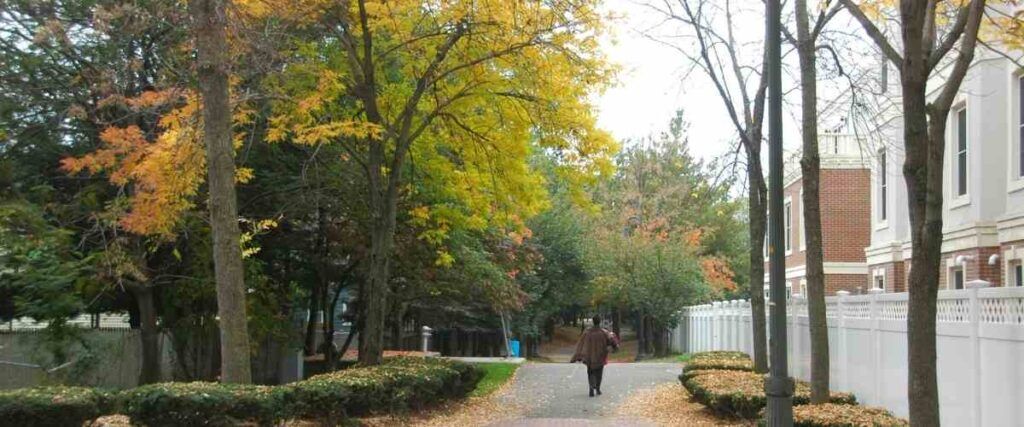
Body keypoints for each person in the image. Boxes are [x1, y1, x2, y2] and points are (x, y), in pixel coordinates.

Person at [570, 315, 618, 397]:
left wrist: (577, 355)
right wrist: (615, 347)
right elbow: (612, 341)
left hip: (589, 355)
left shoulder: (587, 332)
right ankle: (598, 388)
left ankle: (591, 388)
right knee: (599, 372)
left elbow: (581, 344)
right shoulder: (604, 332)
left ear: (593, 321)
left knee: (590, 372)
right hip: (600, 355)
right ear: (599, 322)